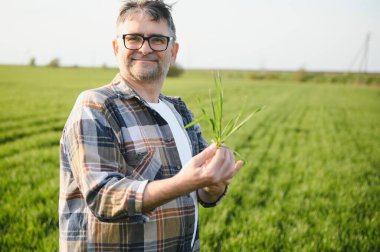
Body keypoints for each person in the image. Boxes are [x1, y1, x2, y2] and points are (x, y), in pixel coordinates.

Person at [59, 0, 243, 251]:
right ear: (116, 47)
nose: (145, 48)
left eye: (157, 40)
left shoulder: (179, 111)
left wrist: (214, 183)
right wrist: (184, 182)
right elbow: (102, 196)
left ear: (173, 51)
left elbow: (205, 194)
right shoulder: (96, 106)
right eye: (133, 38)